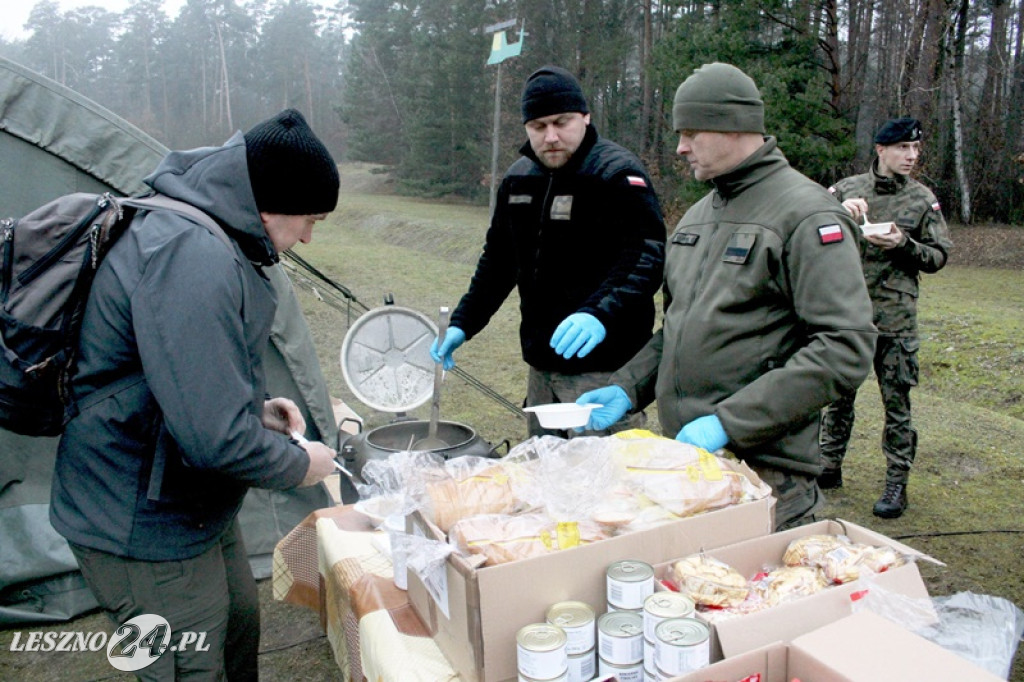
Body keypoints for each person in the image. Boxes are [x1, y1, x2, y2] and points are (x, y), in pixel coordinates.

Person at [49, 109, 340, 680]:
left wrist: (253, 410)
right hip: (137, 521)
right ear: (271, 203)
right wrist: (301, 464)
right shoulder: (192, 254)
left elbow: (168, 376)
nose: (308, 235)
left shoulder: (210, 234)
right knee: (189, 666)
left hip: (184, 504)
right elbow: (215, 441)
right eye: (310, 218)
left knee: (236, 624)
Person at [577, 62, 876, 531]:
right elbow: (680, 327)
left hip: (767, 476)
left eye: (691, 132)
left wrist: (729, 423)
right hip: (689, 466)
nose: (680, 147)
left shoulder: (806, 213)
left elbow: (846, 346)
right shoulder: (699, 216)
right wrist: (628, 384)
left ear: (734, 126)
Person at [430, 65, 666, 437]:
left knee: (605, 483)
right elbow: (498, 262)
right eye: (538, 126)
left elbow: (646, 257)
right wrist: (463, 322)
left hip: (605, 368)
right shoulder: (519, 178)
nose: (551, 136)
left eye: (562, 122)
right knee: (546, 476)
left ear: (585, 118)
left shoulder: (617, 174)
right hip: (542, 367)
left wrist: (598, 314)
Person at [819, 116, 952, 519]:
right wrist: (838, 214)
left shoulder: (922, 199)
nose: (912, 156)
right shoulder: (845, 190)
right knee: (837, 398)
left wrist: (903, 245)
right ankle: (829, 465)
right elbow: (812, 237)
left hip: (896, 321)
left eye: (915, 149)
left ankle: (897, 482)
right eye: (902, 149)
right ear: (881, 150)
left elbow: (938, 256)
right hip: (848, 314)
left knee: (897, 405)